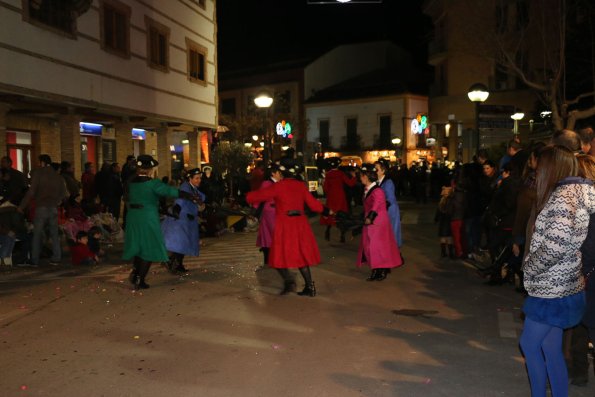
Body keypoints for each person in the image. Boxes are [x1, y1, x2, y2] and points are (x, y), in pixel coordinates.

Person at [520, 145, 595, 397]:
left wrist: (529, 268)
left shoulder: (564, 197)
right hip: (564, 283)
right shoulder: (576, 194)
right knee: (551, 348)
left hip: (551, 287)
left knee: (529, 345)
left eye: (541, 165)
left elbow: (554, 246)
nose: (538, 170)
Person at [246, 158, 330, 297]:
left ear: (281, 172)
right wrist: (327, 211)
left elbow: (260, 196)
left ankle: (289, 281)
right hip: (300, 224)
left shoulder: (279, 186)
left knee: (277, 256)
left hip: (285, 224)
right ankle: (310, 286)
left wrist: (247, 197)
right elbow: (313, 204)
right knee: (301, 255)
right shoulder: (300, 185)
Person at [123, 155, 201, 289]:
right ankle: (139, 279)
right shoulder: (153, 183)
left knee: (137, 244)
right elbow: (170, 191)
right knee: (149, 246)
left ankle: (136, 273)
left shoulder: (130, 182)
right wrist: (189, 196)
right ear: (150, 169)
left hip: (133, 216)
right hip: (147, 216)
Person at [18, 154, 68, 266]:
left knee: (37, 234)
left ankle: (34, 260)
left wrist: (21, 206)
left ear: (42, 162)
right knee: (54, 234)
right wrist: (57, 202)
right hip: (53, 208)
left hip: (41, 208)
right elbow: (64, 195)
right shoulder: (58, 176)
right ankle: (56, 257)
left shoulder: (39, 174)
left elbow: (31, 192)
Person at [356, 164, 403, 281]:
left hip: (378, 223)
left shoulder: (378, 190)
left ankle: (381, 270)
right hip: (371, 222)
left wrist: (370, 217)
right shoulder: (367, 189)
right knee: (369, 246)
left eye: (361, 176)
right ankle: (376, 270)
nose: (360, 178)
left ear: (366, 177)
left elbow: (377, 205)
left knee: (376, 247)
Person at [161, 168, 206, 274]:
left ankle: (178, 264)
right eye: (196, 178)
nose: (199, 180)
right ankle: (173, 264)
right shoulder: (186, 187)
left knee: (183, 244)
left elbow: (201, 197)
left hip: (187, 219)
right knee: (180, 244)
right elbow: (180, 199)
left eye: (200, 178)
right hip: (181, 219)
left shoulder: (192, 188)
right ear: (190, 178)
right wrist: (177, 210)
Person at [253, 164, 283, 268]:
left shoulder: (275, 183)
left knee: (269, 236)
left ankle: (271, 259)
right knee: (271, 236)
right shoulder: (267, 183)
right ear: (273, 174)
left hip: (274, 213)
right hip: (270, 212)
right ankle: (270, 259)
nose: (280, 175)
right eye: (279, 173)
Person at [321, 157, 356, 242]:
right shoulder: (341, 173)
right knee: (341, 216)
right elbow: (350, 184)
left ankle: (328, 231)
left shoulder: (328, 174)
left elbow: (325, 188)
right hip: (340, 197)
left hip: (331, 197)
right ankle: (342, 235)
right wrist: (354, 177)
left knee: (330, 214)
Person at [375, 158, 402, 248]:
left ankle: (394, 254)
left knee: (391, 233)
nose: (375, 171)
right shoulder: (377, 182)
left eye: (377, 169)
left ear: (383, 170)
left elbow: (390, 199)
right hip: (384, 210)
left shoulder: (388, 182)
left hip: (390, 210)